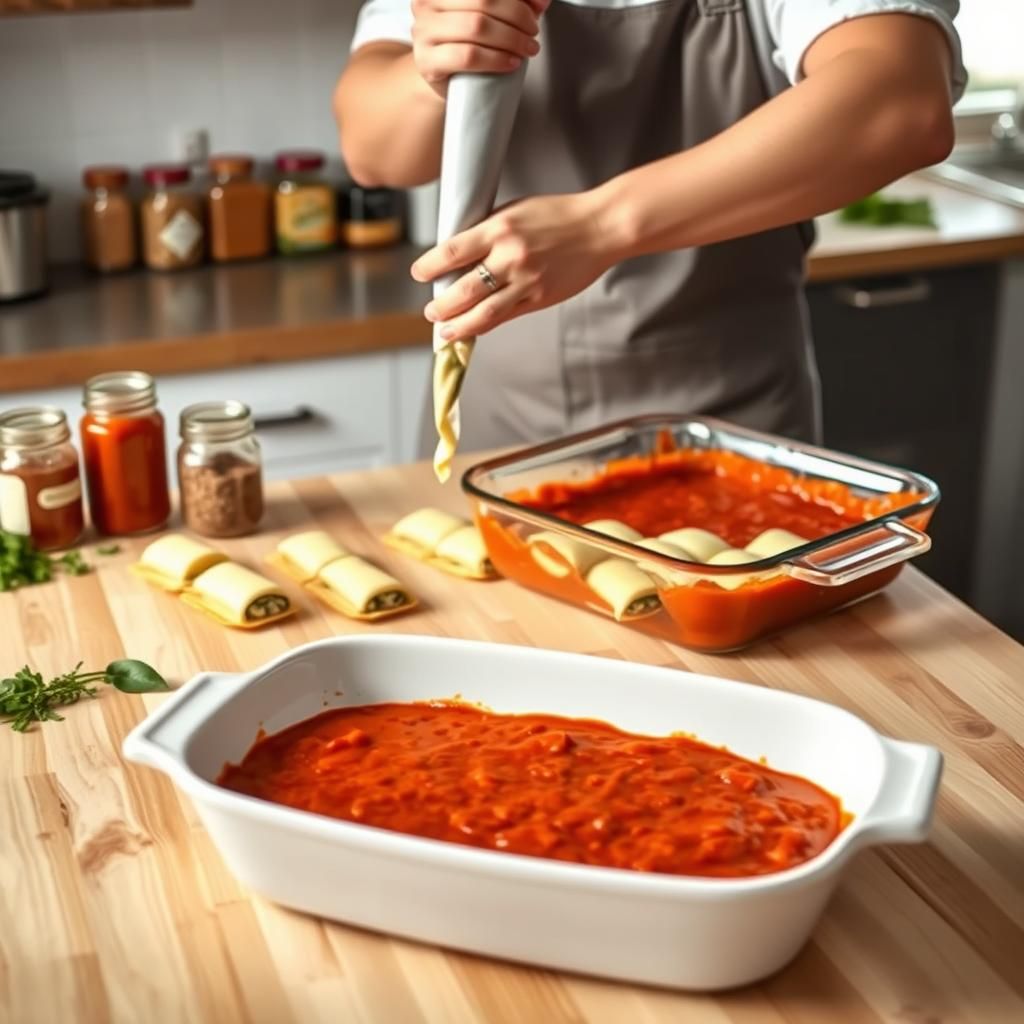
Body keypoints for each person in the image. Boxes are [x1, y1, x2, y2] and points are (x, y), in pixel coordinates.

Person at [335, 0, 964, 453]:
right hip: (494, 425)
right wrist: (436, 68)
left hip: (734, 424)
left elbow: (902, 103)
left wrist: (601, 226)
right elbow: (374, 152)